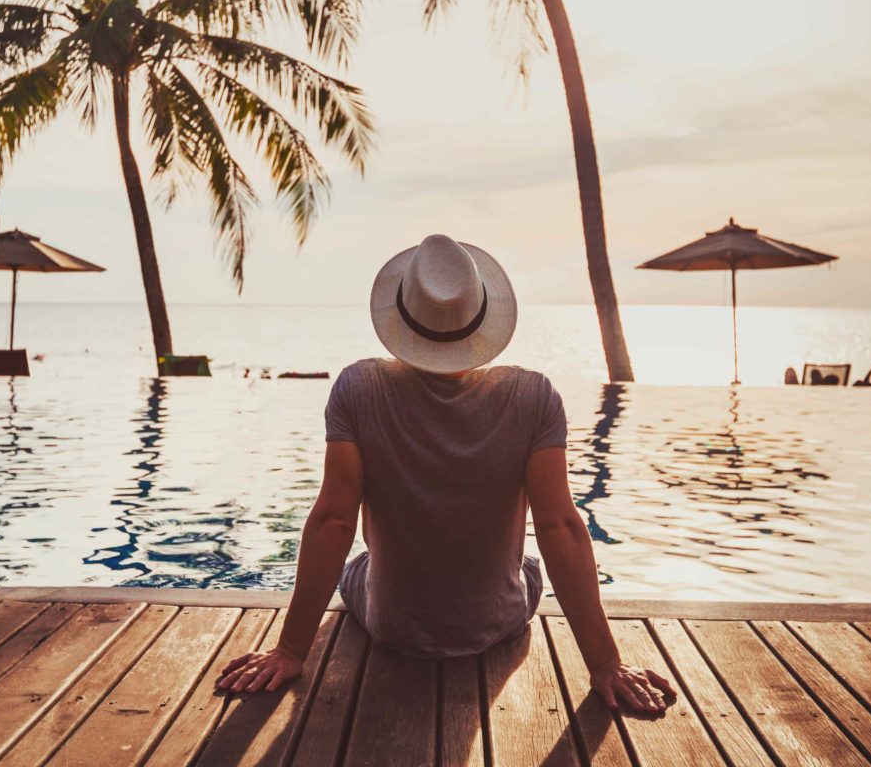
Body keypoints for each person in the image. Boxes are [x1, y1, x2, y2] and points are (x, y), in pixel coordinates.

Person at [217, 234, 675, 713]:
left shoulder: (358, 388)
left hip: (390, 624)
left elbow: (334, 521)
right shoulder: (534, 397)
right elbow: (560, 528)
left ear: (401, 315)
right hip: (497, 622)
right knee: (530, 567)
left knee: (358, 565)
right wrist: (605, 664)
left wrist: (290, 650)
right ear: (482, 317)